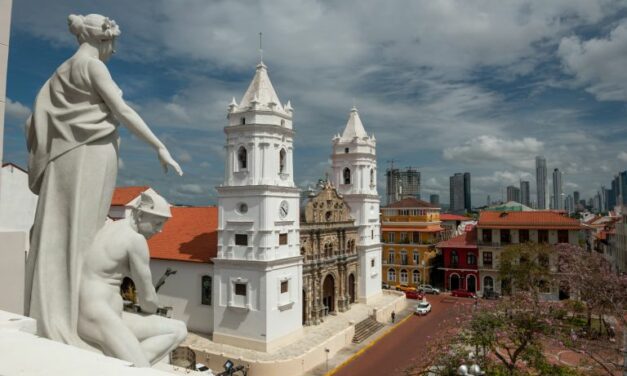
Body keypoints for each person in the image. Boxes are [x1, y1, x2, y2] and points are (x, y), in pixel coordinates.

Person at [24, 14, 182, 348]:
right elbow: (123, 111)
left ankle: (57, 312)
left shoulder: (60, 72)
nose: (114, 50)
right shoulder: (94, 67)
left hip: (65, 156)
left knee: (63, 229)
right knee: (81, 233)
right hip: (91, 155)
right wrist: (159, 146)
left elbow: (34, 122)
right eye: (113, 43)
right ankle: (69, 320)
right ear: (102, 39)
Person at [77, 192, 187, 366]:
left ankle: (116, 366)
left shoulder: (110, 226)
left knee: (179, 329)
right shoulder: (135, 240)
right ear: (140, 214)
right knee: (140, 368)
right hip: (98, 315)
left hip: (102, 312)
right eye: (157, 223)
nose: (160, 230)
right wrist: (151, 309)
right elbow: (148, 299)